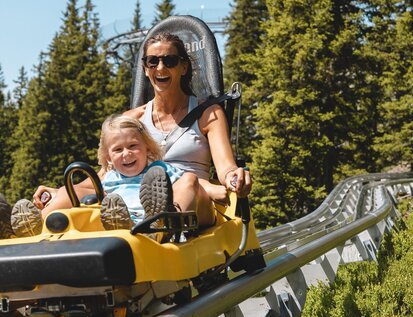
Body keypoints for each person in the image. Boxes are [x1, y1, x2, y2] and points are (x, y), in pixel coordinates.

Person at [33, 31, 252, 212]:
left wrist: (235, 178)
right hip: (135, 197)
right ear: (146, 69)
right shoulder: (131, 120)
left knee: (188, 183)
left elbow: (226, 168)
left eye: (169, 61)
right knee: (67, 194)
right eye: (152, 61)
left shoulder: (208, 114)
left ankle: (161, 227)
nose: (160, 68)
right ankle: (33, 231)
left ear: (183, 67)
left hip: (195, 200)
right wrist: (63, 191)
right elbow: (106, 174)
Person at [0, 115, 212, 239]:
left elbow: (193, 185)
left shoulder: (159, 170)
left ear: (147, 148)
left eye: (133, 146)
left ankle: (162, 225)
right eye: (118, 150)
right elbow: (81, 192)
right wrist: (59, 193)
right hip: (115, 222)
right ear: (108, 157)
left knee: (188, 180)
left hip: (153, 224)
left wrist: (223, 188)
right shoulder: (109, 178)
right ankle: (26, 229)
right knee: (74, 191)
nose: (127, 154)